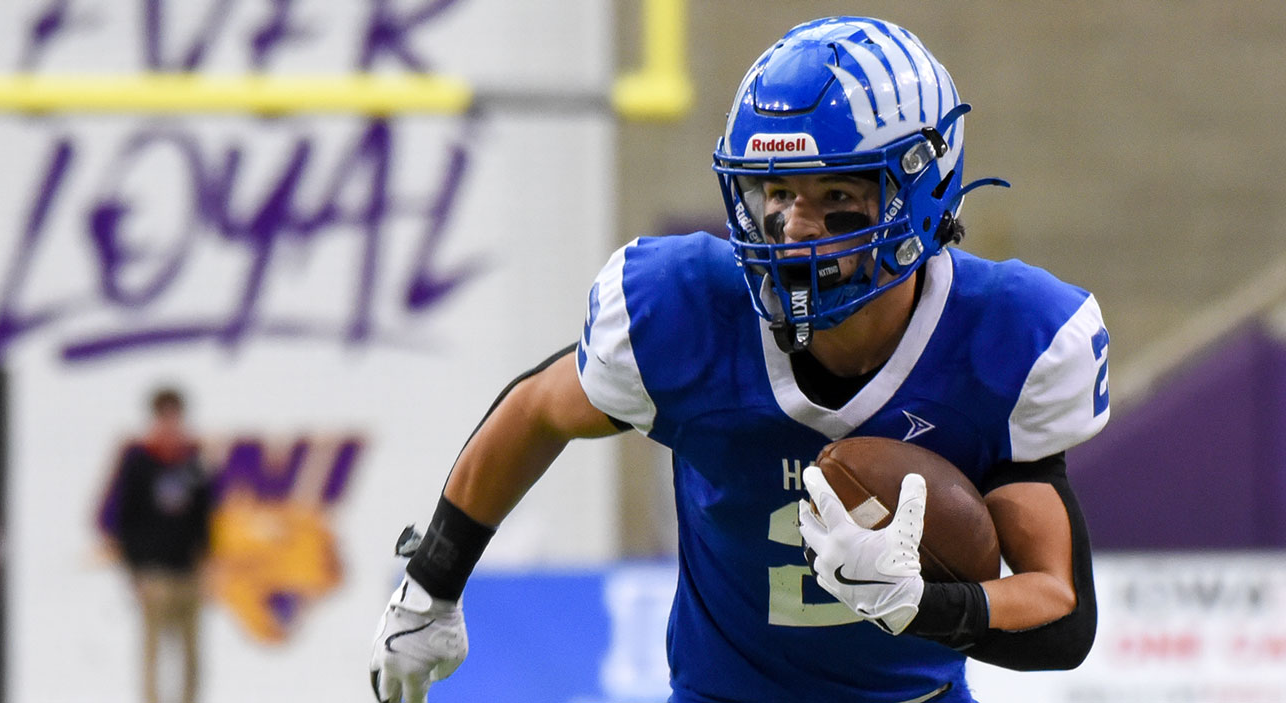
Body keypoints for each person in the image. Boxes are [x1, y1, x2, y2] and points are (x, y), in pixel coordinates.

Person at [369, 15, 1108, 703]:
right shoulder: (688, 309)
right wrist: (430, 583)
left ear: (923, 189)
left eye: (838, 192)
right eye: (777, 192)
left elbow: (1062, 612)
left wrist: (926, 606)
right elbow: (538, 410)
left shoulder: (1004, 336)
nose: (794, 228)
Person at [96, 387, 213, 703]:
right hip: (154, 574)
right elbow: (122, 519)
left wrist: (206, 563)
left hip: (187, 572)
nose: (170, 424)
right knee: (153, 654)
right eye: (165, 416)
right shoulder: (139, 462)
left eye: (175, 416)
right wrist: (135, 569)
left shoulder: (192, 462)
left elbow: (203, 519)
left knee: (191, 657)